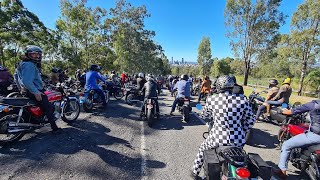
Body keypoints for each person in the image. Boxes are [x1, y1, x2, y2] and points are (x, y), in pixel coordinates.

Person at [191, 75, 255, 179]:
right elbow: (251, 121)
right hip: (238, 140)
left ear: (219, 86)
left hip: (217, 138)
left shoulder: (212, 99)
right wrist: (242, 129)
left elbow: (204, 115)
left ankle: (194, 172)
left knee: (202, 148)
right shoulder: (243, 99)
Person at [15, 45, 60, 132]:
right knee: (49, 108)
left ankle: (37, 120)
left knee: (40, 106)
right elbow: (27, 81)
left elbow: (16, 76)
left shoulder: (22, 64)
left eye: (38, 54)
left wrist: (20, 87)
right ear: (28, 55)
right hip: (34, 90)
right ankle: (54, 128)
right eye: (33, 54)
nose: (37, 56)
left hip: (26, 90)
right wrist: (36, 92)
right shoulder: (30, 65)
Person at [273, 100, 320, 178]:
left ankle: (282, 171)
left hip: (315, 135)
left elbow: (295, 111)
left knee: (286, 145)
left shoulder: (314, 104)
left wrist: (283, 111)